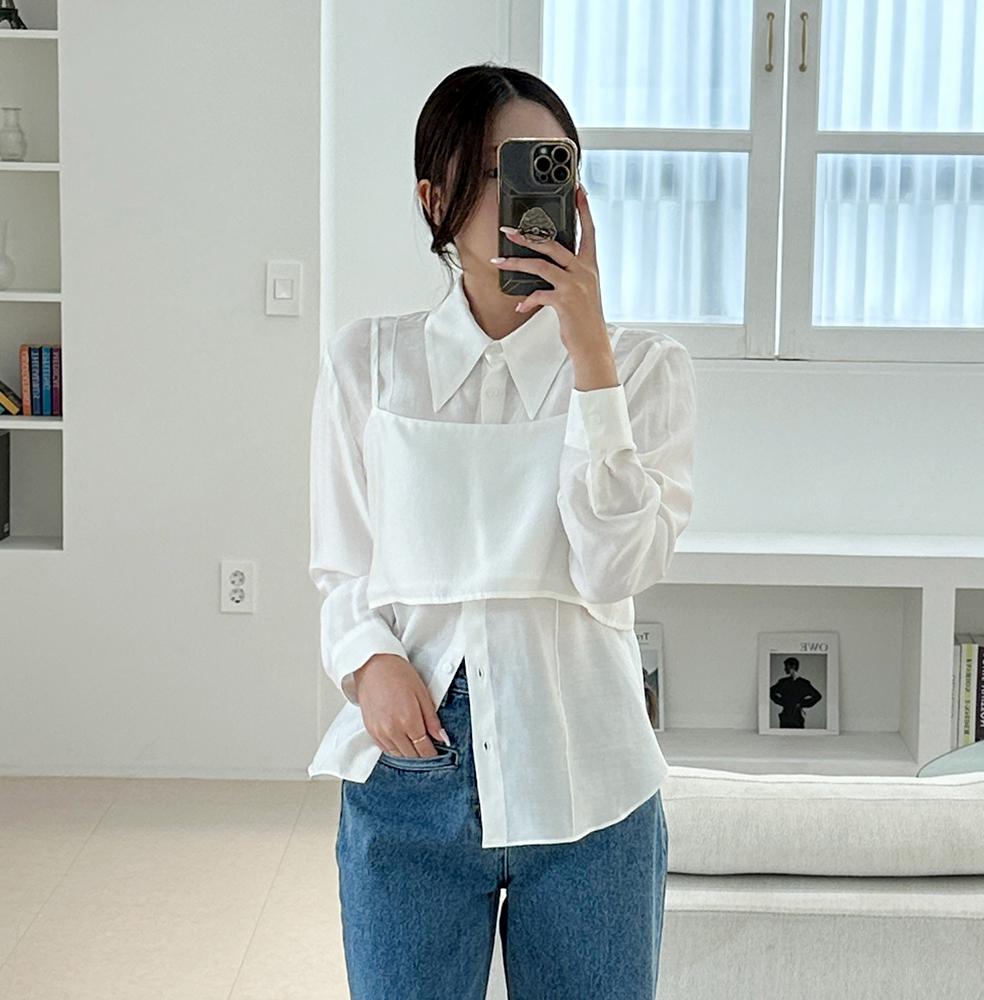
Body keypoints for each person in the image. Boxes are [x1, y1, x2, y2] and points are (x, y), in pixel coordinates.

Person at [307, 62, 697, 999]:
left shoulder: (645, 370)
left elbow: (616, 568)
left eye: (542, 165)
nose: (516, 195)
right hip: (413, 765)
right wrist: (368, 663)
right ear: (432, 199)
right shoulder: (369, 361)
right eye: (488, 171)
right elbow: (342, 566)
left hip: (591, 773)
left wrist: (590, 354)